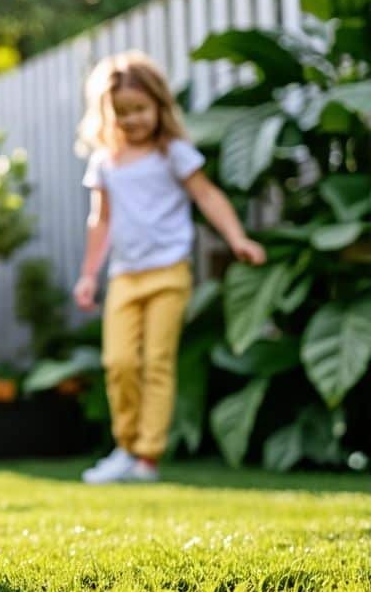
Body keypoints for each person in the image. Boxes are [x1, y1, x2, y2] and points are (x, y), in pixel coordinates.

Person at [74, 50, 265, 484]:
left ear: (160, 105)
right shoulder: (104, 162)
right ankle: (124, 447)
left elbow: (208, 197)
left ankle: (147, 458)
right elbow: (99, 221)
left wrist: (237, 238)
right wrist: (88, 274)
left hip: (169, 272)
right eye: (122, 112)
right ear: (107, 114)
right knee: (119, 362)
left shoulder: (173, 153)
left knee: (157, 362)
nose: (133, 119)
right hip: (124, 275)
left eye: (141, 109)